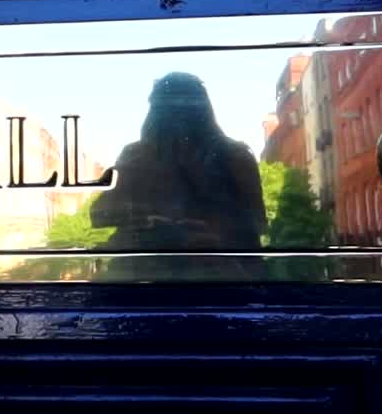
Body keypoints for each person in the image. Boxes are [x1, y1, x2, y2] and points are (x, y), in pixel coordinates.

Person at [90, 72, 267, 281]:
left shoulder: (136, 157)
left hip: (154, 280)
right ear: (205, 108)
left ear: (153, 111)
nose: (177, 118)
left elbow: (98, 215)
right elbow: (258, 227)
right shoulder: (236, 156)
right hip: (215, 282)